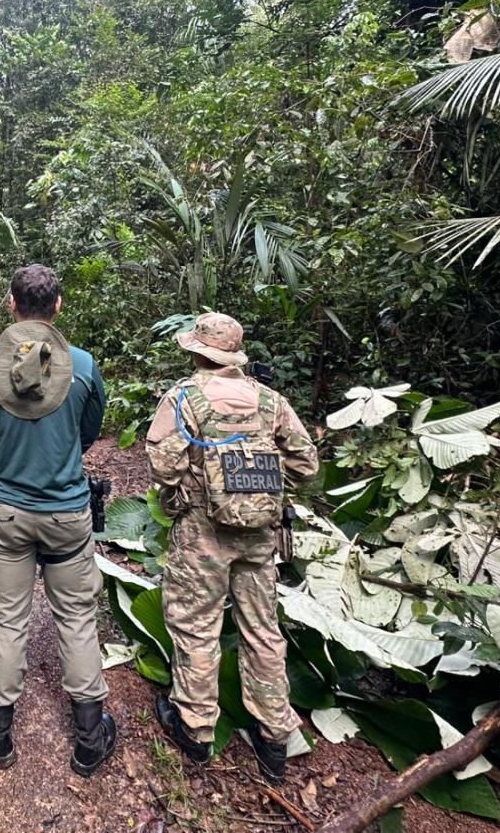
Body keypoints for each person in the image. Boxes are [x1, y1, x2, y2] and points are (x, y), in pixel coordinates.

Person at [144, 313, 319, 783]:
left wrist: (203, 478)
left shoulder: (184, 397)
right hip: (260, 534)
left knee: (196, 625)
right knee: (262, 630)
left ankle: (196, 728)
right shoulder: (271, 400)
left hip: (202, 533)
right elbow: (306, 465)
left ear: (197, 351)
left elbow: (163, 467)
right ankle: (274, 738)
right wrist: (259, 480)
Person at [0, 263, 117, 778]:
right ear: (58, 306)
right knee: (76, 617)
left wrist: (7, 452)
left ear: (12, 305)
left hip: (6, 511)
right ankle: (90, 739)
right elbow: (88, 432)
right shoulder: (84, 365)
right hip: (67, 512)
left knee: (7, 619)